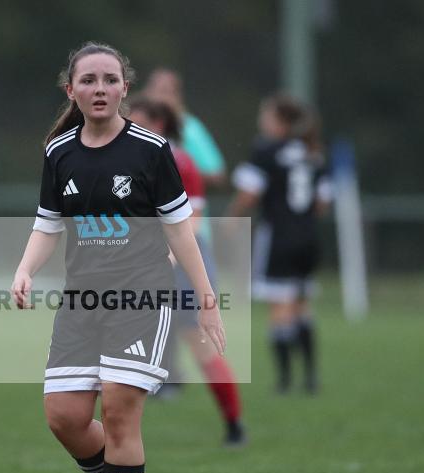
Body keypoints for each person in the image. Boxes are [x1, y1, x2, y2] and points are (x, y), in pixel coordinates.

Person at [12, 43, 225, 473]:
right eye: (89, 80)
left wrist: (206, 298)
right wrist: (24, 269)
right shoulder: (58, 152)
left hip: (142, 298)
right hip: (81, 302)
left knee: (120, 412)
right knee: (64, 417)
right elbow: (48, 224)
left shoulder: (152, 150)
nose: (100, 89)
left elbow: (180, 230)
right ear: (72, 90)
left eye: (110, 79)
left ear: (125, 88)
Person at [127, 96, 245, 446]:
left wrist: (167, 259)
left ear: (158, 125)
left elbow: (191, 221)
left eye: (137, 122)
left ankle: (234, 424)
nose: (129, 128)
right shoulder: (127, 159)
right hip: (143, 262)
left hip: (184, 263)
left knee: (199, 342)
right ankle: (111, 435)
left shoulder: (178, 161)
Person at [227, 94, 332, 394]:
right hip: (308, 238)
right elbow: (322, 203)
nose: (262, 122)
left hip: (279, 238)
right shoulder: (314, 152)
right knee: (302, 306)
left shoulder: (266, 150)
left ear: (280, 122)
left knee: (280, 308)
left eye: (266, 116)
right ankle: (310, 377)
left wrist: (232, 218)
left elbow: (249, 193)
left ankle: (284, 381)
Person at [143, 68, 226, 188]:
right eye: (155, 90)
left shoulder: (189, 127)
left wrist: (178, 170)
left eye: (166, 91)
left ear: (177, 97)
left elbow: (216, 174)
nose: (159, 98)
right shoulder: (134, 123)